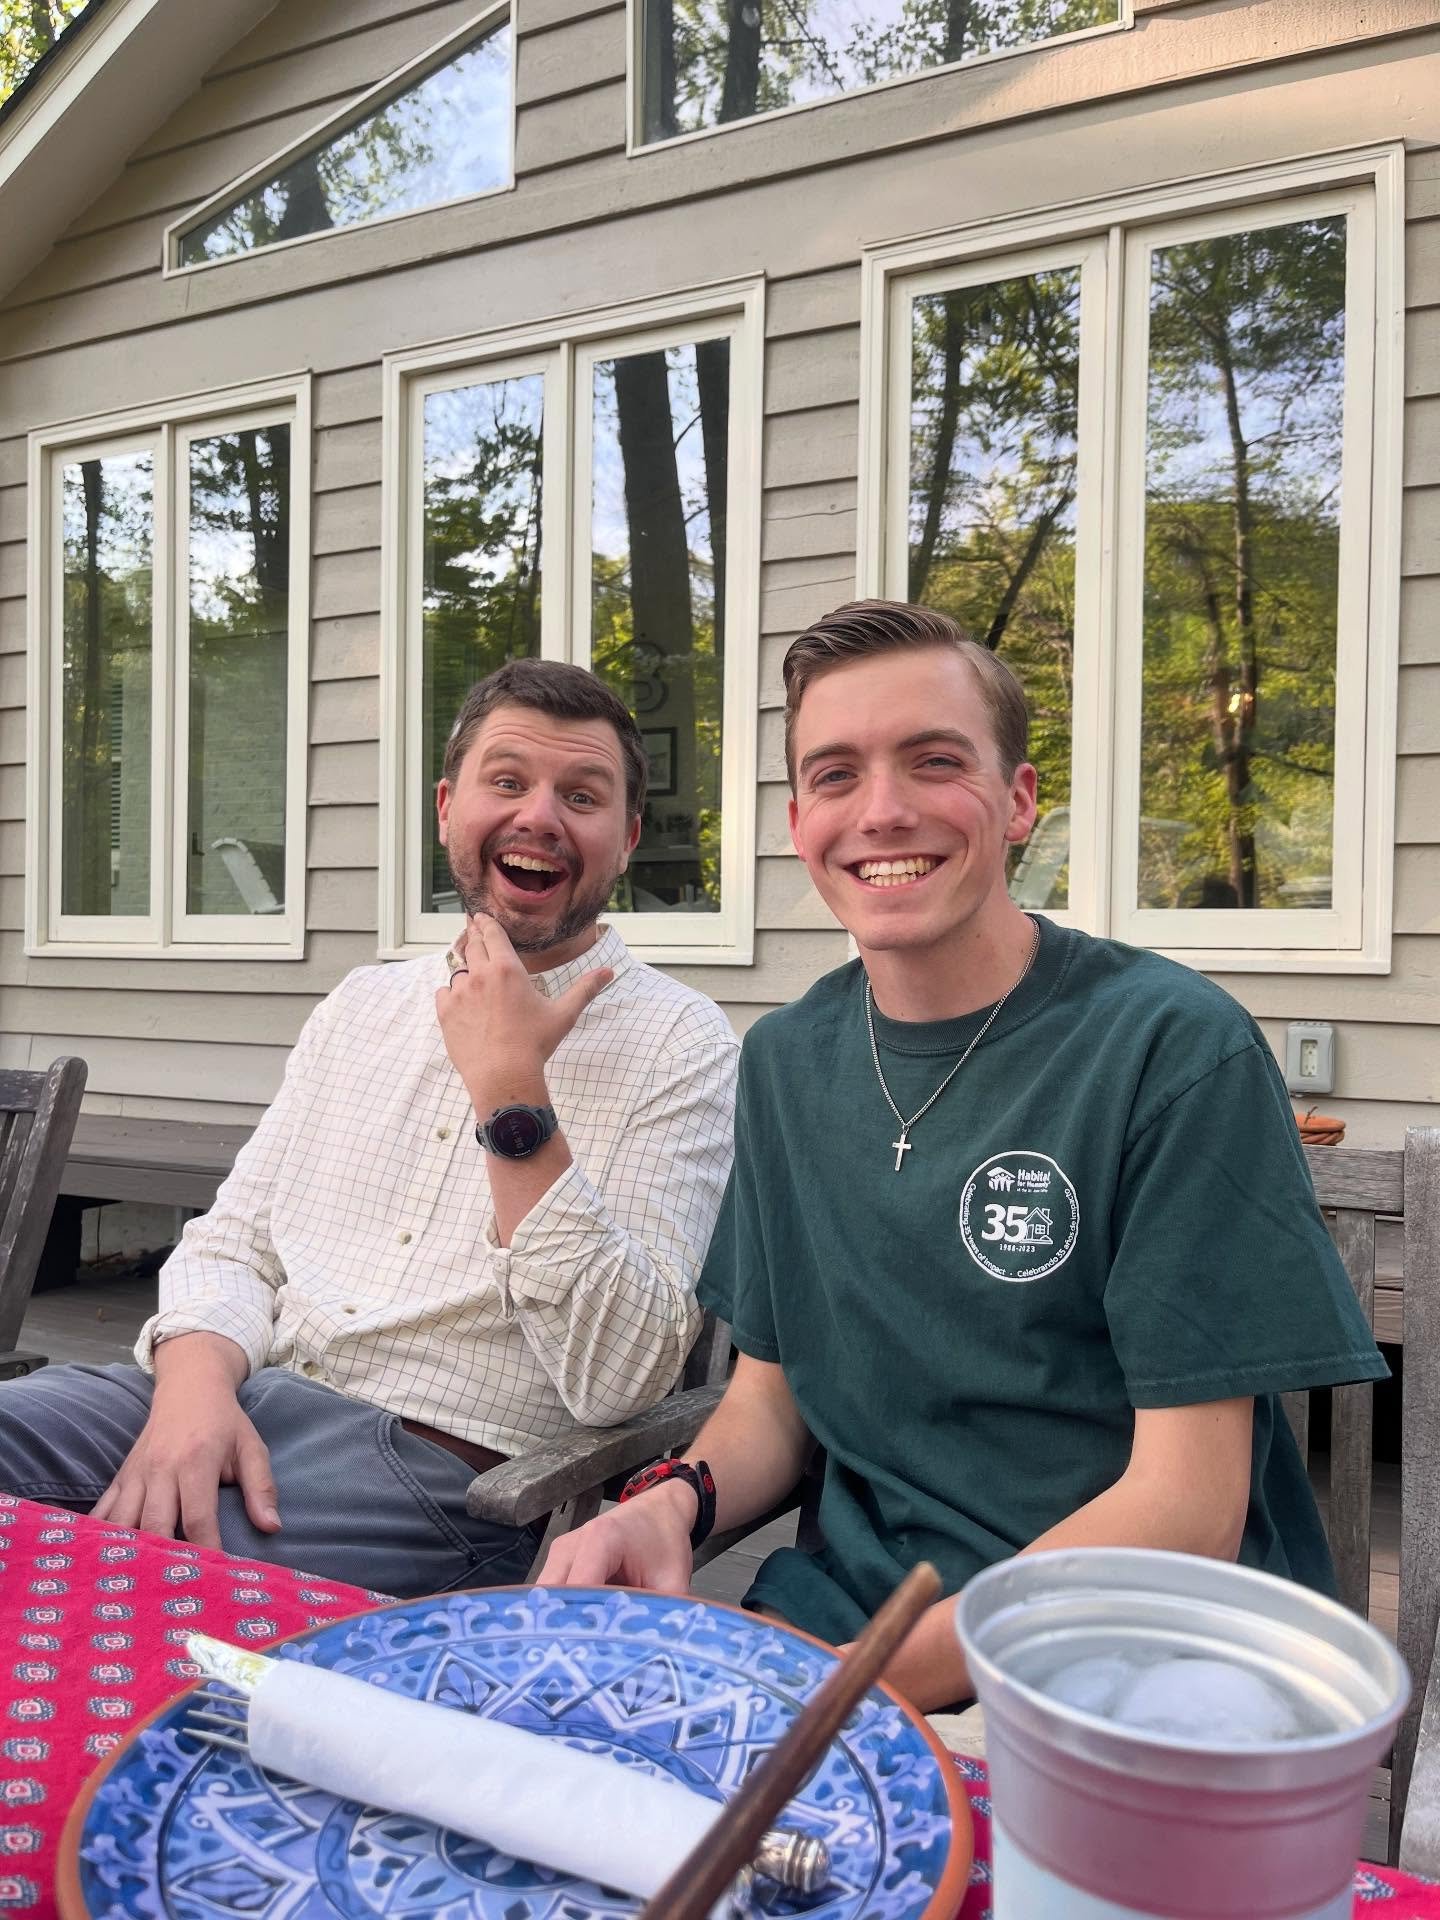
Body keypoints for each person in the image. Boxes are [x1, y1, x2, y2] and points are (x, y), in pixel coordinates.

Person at [541, 601, 1386, 1713]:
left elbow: (1187, 1507)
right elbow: (770, 1406)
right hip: (837, 1636)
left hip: (1132, 1669)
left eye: (933, 762)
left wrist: (857, 1687)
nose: (882, 812)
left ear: (1019, 801)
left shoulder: (1169, 1049)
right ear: (800, 821)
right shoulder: (790, 1064)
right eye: (836, 776)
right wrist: (670, 1505)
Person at [0, 661, 738, 1597]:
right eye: (506, 781)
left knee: (120, 1590)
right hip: (220, 1385)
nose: (540, 816)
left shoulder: (680, 1041)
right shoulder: (364, 1004)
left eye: (581, 796)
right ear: (446, 808)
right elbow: (233, 1241)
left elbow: (621, 1380)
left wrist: (513, 1094)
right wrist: (193, 1390)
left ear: (626, 837)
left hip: (427, 1472)